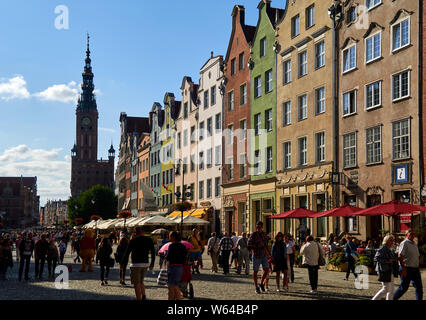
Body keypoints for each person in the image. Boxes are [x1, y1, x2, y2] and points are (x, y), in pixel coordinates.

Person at [122, 226, 155, 301]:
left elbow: (127, 253)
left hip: (136, 264)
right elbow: (153, 252)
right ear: (142, 231)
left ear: (135, 232)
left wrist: (123, 263)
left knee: (136, 283)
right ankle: (143, 295)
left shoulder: (133, 240)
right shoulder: (149, 239)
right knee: (141, 281)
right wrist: (152, 263)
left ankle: (138, 298)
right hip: (145, 263)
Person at [393, 229, 423, 300]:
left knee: (419, 288)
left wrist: (418, 267)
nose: (413, 235)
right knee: (403, 288)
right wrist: (403, 269)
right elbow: (400, 256)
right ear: (406, 235)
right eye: (411, 234)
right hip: (406, 268)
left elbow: (416, 257)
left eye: (413, 234)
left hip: (415, 269)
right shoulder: (404, 243)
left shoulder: (414, 244)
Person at [372, 235, 398, 300]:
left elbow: (392, 258)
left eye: (393, 240)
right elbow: (376, 258)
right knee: (385, 289)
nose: (392, 242)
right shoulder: (382, 248)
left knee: (391, 290)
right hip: (384, 271)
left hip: (390, 270)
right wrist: (387, 261)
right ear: (386, 241)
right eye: (391, 240)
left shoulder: (390, 249)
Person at [248, 221, 270, 294]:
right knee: (255, 271)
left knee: (266, 269)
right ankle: (256, 287)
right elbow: (249, 245)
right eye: (257, 226)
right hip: (256, 255)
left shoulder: (264, 234)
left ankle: (261, 284)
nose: (258, 227)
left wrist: (269, 254)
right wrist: (257, 245)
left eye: (260, 226)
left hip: (263, 255)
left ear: (262, 227)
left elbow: (266, 245)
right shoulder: (253, 234)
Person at [165, 231, 188, 300]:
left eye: (170, 236)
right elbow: (185, 257)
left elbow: (168, 257)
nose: (169, 238)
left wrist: (165, 254)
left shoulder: (172, 246)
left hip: (173, 267)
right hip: (180, 267)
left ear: (173, 237)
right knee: (174, 286)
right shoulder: (183, 246)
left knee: (172, 287)